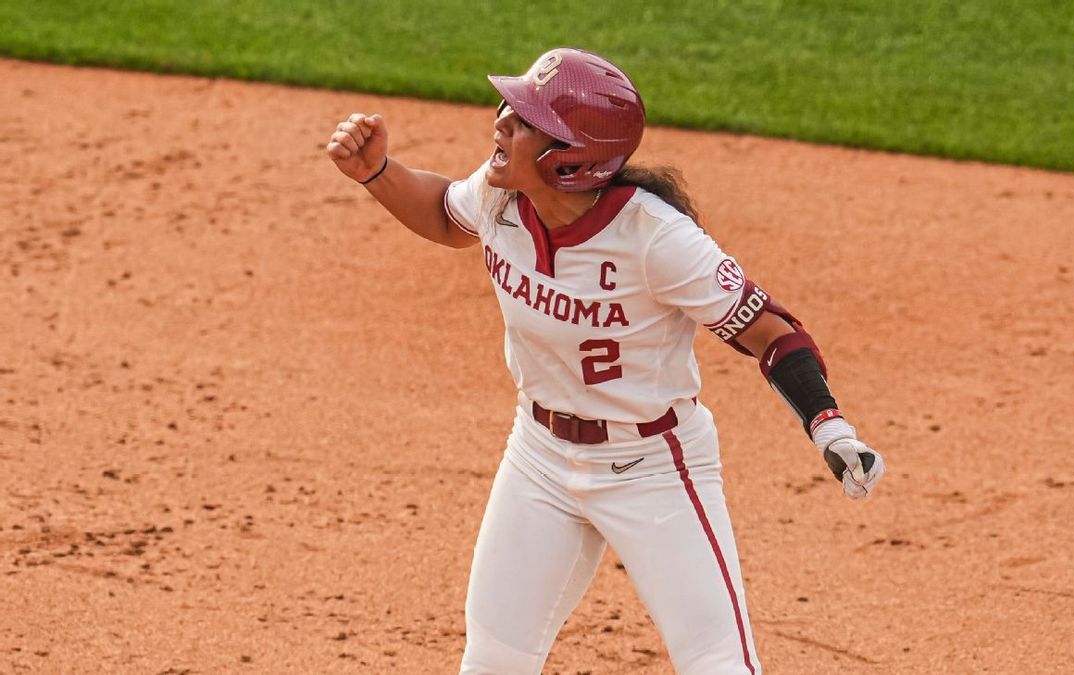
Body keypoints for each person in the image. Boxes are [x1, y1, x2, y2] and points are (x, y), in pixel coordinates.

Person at [325, 47, 885, 675]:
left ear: (571, 162)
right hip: (537, 457)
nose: (501, 122)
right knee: (492, 662)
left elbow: (767, 328)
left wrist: (829, 425)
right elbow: (444, 214)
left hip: (653, 467)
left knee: (717, 662)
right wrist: (378, 173)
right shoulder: (500, 196)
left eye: (524, 119)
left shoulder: (657, 239)